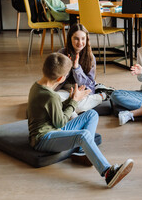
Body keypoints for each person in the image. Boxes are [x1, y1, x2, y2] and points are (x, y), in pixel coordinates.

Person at [27, 53, 133, 188]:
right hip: (43, 139)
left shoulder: (36, 86)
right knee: (83, 135)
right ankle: (107, 173)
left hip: (53, 130)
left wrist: (71, 100)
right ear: (61, 78)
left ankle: (82, 153)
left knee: (92, 114)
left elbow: (54, 114)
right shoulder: (50, 96)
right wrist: (74, 102)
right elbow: (60, 122)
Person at [56, 23, 113, 118]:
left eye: (83, 39)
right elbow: (55, 79)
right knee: (55, 99)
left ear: (87, 39)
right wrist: (68, 68)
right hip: (64, 91)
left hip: (82, 92)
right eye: (76, 38)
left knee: (65, 104)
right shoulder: (61, 53)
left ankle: (74, 112)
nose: (80, 42)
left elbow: (89, 84)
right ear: (70, 38)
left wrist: (76, 68)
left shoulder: (90, 57)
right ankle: (98, 98)